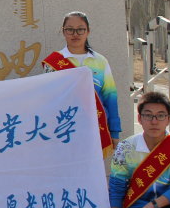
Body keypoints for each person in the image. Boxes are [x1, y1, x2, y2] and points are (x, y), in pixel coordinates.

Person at [43, 11, 121, 148]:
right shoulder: (53, 63)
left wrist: (114, 131)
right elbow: (49, 99)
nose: (75, 34)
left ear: (88, 31)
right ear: (63, 31)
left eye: (80, 29)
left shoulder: (100, 61)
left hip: (95, 127)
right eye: (70, 30)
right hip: (64, 128)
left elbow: (110, 97)